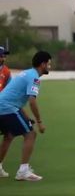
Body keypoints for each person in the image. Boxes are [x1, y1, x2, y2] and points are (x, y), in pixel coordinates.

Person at [0, 51, 51, 181]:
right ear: (43, 64)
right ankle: (23, 171)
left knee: (9, 136)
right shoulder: (34, 78)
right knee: (30, 134)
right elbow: (32, 100)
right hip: (7, 108)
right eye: (49, 64)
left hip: (4, 106)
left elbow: (16, 99)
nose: (50, 67)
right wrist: (39, 121)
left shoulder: (27, 73)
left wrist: (27, 117)